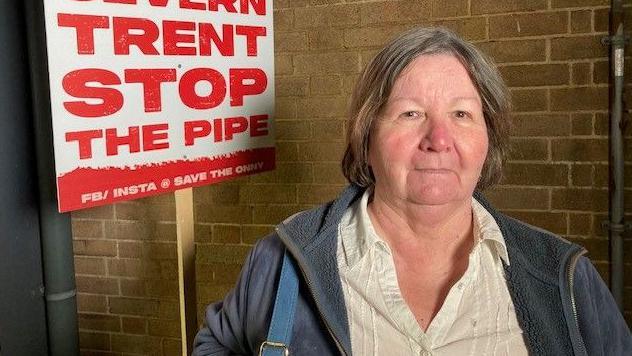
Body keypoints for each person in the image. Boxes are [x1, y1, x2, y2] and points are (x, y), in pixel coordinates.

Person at [193, 27, 632, 355]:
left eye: (461, 114)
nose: (438, 138)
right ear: (367, 136)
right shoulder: (283, 261)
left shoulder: (564, 277)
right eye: (410, 114)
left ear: (488, 138)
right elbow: (217, 344)